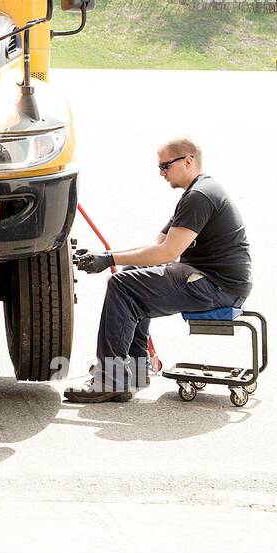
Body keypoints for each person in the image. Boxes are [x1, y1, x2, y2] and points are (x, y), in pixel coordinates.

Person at [65, 137, 252, 403]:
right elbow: (158, 246)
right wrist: (107, 258)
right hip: (208, 280)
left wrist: (107, 259)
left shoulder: (200, 197)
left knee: (122, 286)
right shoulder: (196, 193)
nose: (161, 173)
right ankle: (136, 369)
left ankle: (110, 380)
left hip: (216, 287)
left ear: (188, 161)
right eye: (159, 167)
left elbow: (167, 254)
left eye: (165, 166)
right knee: (130, 276)